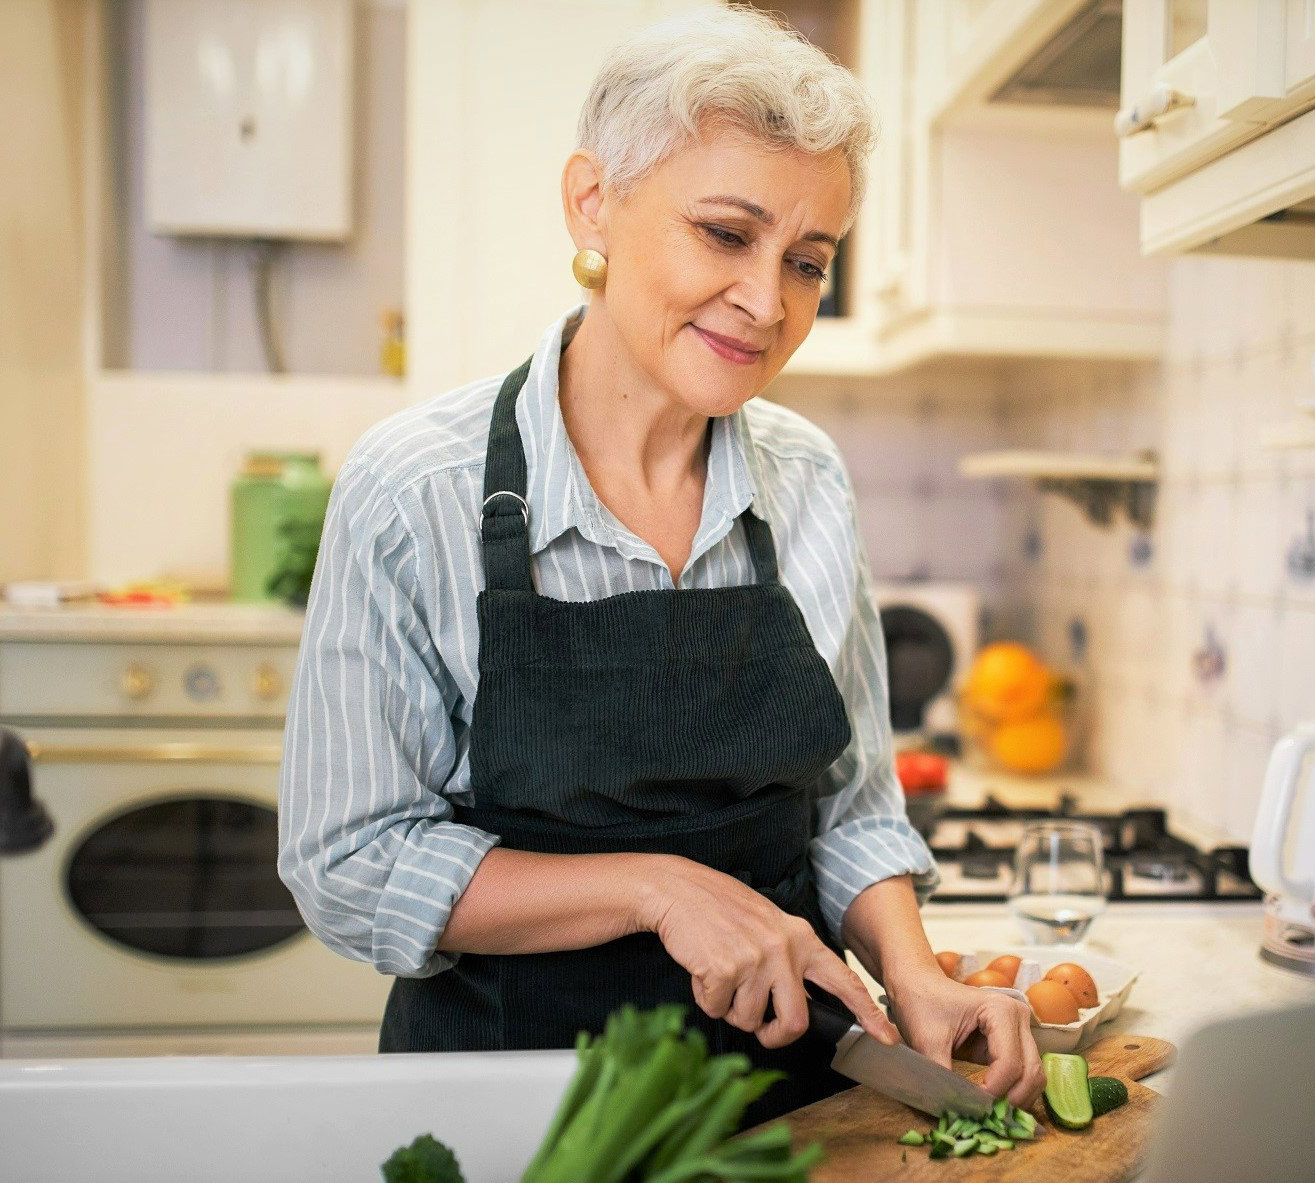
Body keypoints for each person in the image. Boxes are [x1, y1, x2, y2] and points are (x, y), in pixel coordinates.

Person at [277, 5, 1041, 1126]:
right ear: (593, 201)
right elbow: (347, 862)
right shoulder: (412, 491)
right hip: (516, 1111)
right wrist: (657, 888)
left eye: (807, 261)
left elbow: (852, 806)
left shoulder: (808, 480)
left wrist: (913, 970)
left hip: (785, 1112)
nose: (766, 301)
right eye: (725, 235)